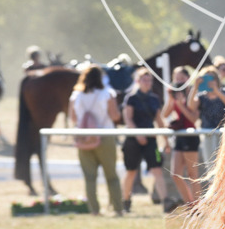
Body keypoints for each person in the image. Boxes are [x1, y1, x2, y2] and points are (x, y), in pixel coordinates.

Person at [69, 65, 123, 216]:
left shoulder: (76, 96)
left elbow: (73, 118)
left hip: (84, 139)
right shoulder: (107, 94)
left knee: (89, 177)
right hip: (105, 136)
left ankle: (94, 210)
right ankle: (118, 208)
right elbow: (115, 116)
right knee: (111, 175)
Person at [121, 67, 170, 212]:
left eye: (149, 80)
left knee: (157, 170)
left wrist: (166, 141)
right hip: (133, 140)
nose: (147, 83)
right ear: (138, 81)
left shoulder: (154, 99)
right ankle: (126, 200)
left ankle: (165, 201)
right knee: (131, 171)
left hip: (150, 140)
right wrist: (138, 134)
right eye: (144, 79)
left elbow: (159, 121)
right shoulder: (131, 98)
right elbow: (128, 119)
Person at [162, 65, 201, 205]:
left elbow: (193, 118)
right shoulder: (174, 94)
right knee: (175, 174)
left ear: (187, 79)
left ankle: (198, 206)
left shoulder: (193, 94)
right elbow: (165, 114)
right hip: (179, 137)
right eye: (176, 78)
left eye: (181, 78)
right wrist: (171, 99)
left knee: (192, 174)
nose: (178, 81)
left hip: (190, 136)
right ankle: (190, 204)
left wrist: (181, 104)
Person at [189, 65, 225, 176]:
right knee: (211, 167)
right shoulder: (201, 97)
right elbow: (191, 106)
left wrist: (217, 91)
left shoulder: (224, 92)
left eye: (212, 78)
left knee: (224, 165)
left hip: (223, 134)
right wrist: (195, 87)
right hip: (207, 134)